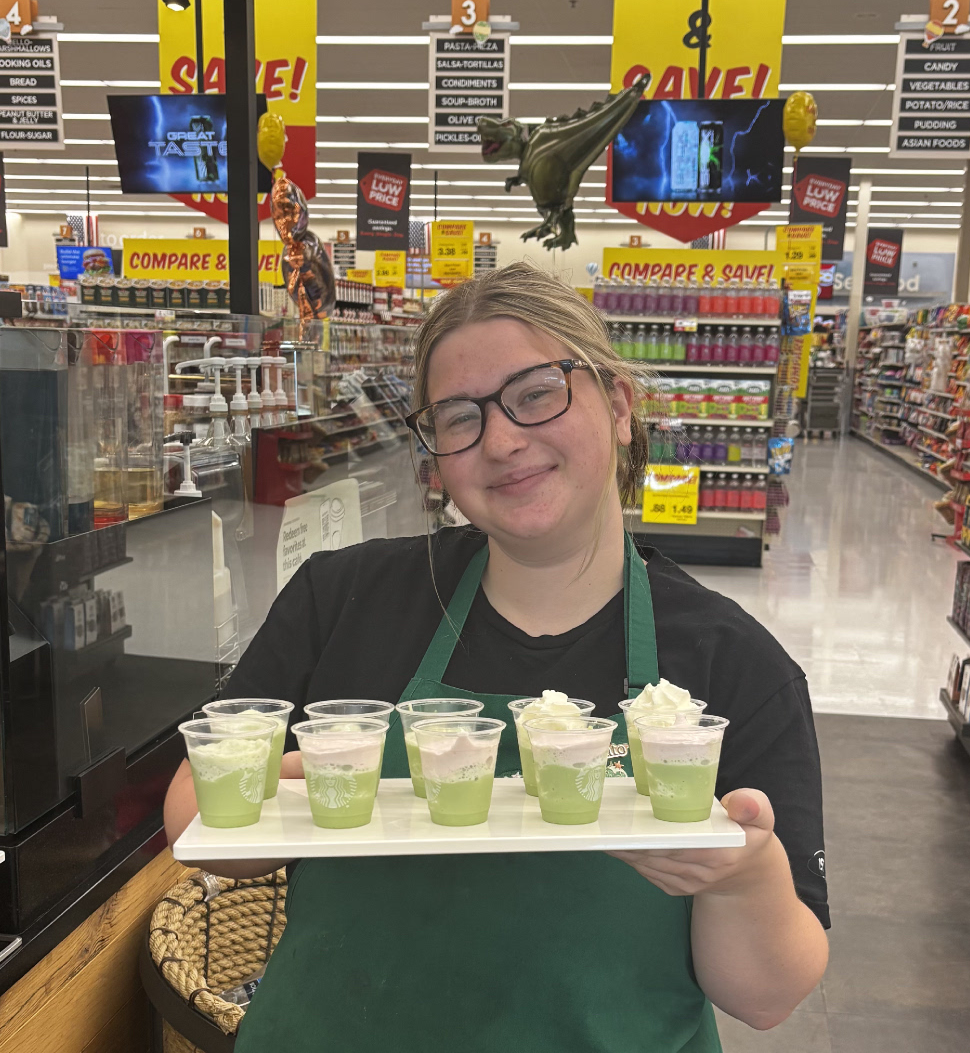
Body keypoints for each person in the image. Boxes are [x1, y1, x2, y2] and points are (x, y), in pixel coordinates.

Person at [164, 262, 829, 1052]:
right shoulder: (345, 598)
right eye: (458, 417)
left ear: (618, 405)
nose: (504, 440)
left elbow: (766, 997)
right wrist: (322, 778)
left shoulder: (732, 661)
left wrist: (743, 874)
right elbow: (193, 818)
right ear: (436, 452)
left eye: (537, 393)